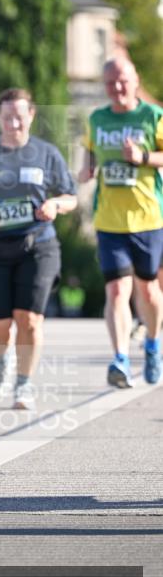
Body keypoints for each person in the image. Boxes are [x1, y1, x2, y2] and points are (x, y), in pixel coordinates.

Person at [0, 88, 77, 410]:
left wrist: (55, 204)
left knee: (29, 319)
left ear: (32, 115)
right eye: (7, 117)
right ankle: (2, 361)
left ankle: (24, 383)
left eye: (20, 116)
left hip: (37, 245)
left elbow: (71, 196)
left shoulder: (46, 153)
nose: (14, 123)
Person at [79, 58, 163, 387]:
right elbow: (89, 149)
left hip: (147, 217)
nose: (116, 88)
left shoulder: (152, 116)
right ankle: (121, 359)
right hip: (109, 220)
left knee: (149, 291)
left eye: (122, 81)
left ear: (135, 80)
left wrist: (143, 158)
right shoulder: (97, 119)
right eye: (110, 82)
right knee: (116, 291)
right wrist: (87, 168)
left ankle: (153, 344)